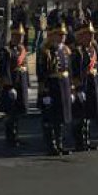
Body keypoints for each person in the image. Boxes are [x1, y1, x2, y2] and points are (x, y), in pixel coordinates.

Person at [37, 23, 73, 156]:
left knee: (60, 118)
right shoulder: (46, 51)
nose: (63, 37)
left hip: (63, 86)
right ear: (53, 36)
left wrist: (72, 88)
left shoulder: (65, 50)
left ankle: (60, 144)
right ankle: (51, 145)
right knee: (50, 118)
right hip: (51, 86)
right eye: (60, 35)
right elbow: (42, 73)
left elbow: (69, 70)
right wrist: (44, 92)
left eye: (64, 35)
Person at [0, 24, 31, 148]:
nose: (20, 38)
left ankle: (16, 135)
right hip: (11, 86)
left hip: (20, 84)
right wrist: (8, 85)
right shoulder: (6, 50)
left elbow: (25, 67)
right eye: (18, 36)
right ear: (13, 36)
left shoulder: (22, 50)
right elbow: (3, 69)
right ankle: (10, 137)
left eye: (22, 36)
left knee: (18, 112)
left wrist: (27, 83)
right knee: (10, 113)